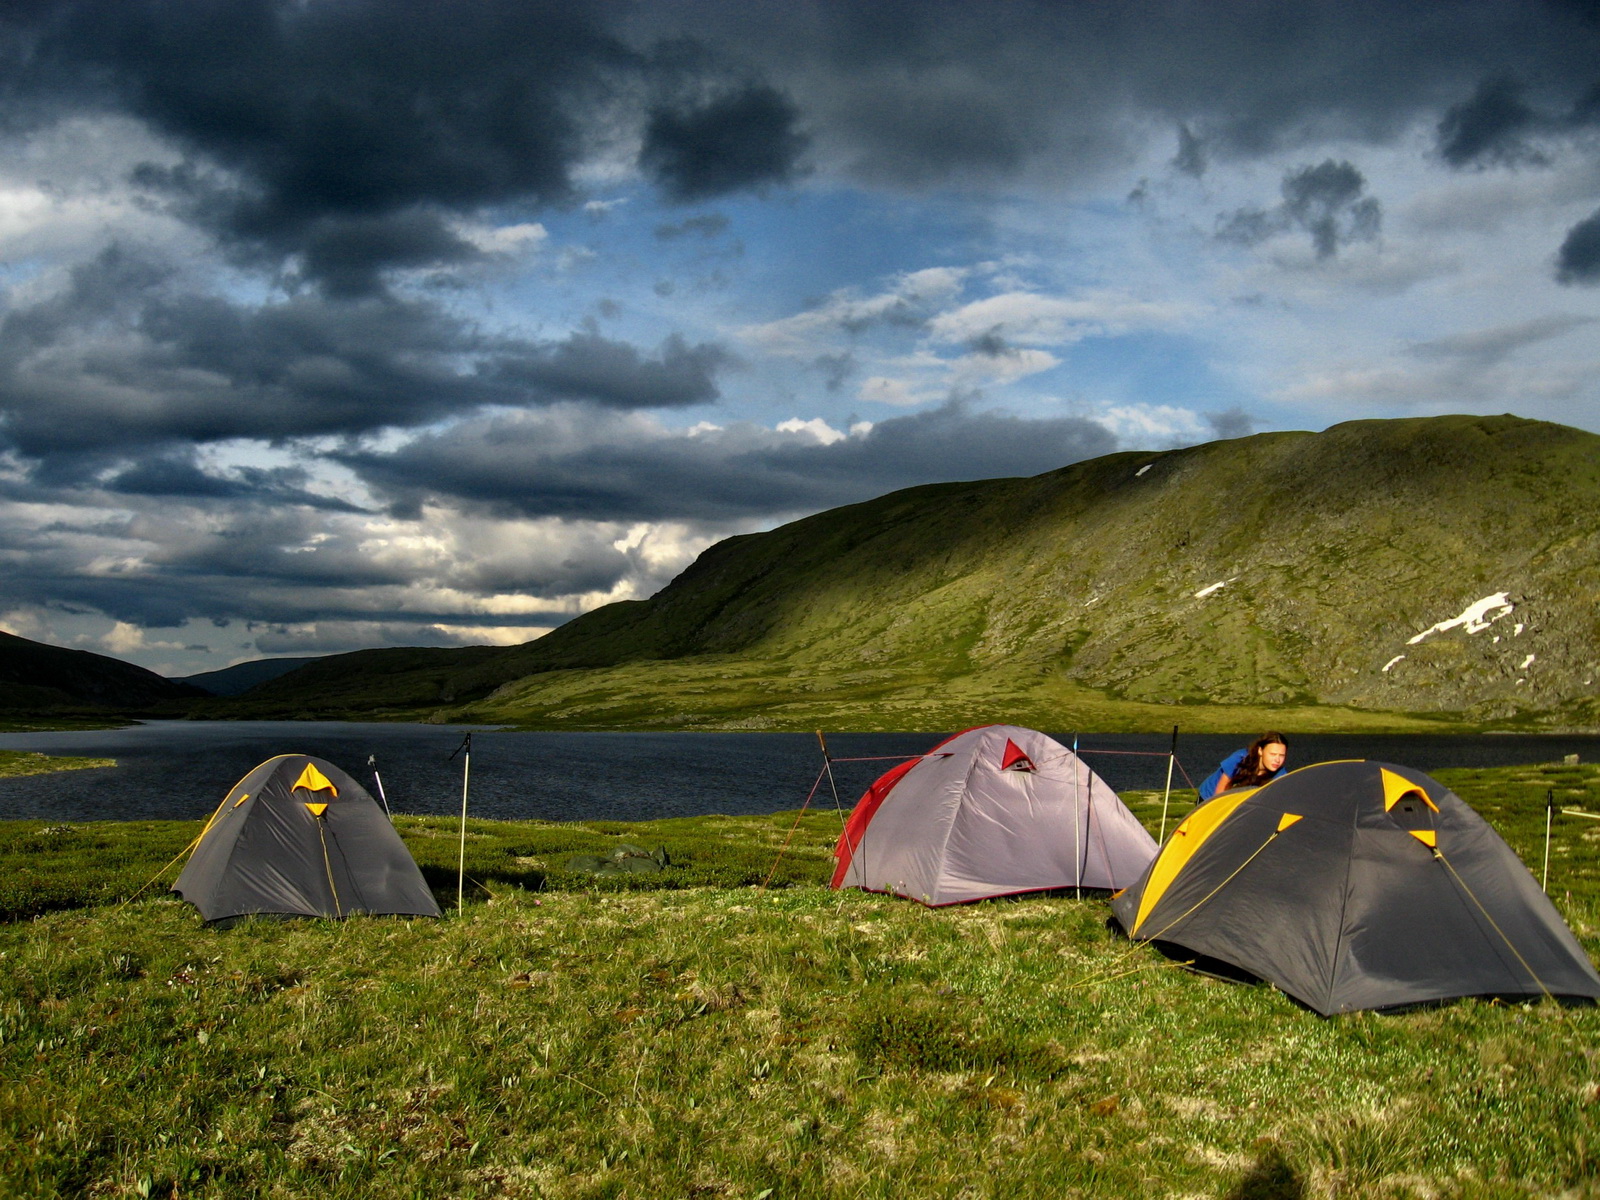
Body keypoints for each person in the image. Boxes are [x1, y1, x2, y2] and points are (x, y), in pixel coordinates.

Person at [1198, 733, 1288, 802]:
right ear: (1260, 751)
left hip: (1237, 801)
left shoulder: (1281, 774)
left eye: (1281, 755)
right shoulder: (1240, 758)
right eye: (1272, 754)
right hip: (1210, 798)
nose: (1277, 760)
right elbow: (1220, 792)